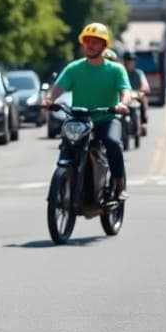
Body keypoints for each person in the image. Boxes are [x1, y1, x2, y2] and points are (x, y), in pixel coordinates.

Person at [43, 23, 133, 200]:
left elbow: (126, 91)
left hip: (107, 119)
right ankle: (65, 180)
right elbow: (58, 87)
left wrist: (123, 103)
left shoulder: (116, 69)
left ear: (104, 45)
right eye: (87, 41)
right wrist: (48, 100)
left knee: (112, 143)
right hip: (81, 120)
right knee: (68, 142)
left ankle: (119, 184)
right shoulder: (74, 68)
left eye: (95, 42)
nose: (90, 45)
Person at [120, 50, 150, 136]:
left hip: (135, 97)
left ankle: (143, 123)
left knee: (144, 99)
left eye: (132, 60)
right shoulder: (120, 72)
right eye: (128, 60)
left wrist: (143, 90)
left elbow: (145, 84)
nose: (130, 62)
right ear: (124, 61)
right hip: (123, 98)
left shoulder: (139, 73)